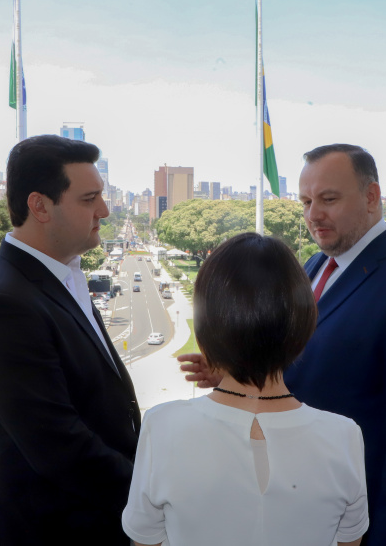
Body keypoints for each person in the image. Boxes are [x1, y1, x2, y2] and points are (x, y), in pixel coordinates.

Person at [181, 144, 386, 545]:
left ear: (372, 197)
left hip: (362, 525)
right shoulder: (315, 265)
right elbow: (303, 366)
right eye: (306, 201)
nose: (314, 215)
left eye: (328, 199)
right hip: (297, 512)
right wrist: (237, 373)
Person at [125, 233, 368, 546]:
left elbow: (146, 540)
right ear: (302, 327)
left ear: (205, 330)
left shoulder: (162, 428)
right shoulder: (344, 437)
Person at [0, 135, 140, 546]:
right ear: (39, 206)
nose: (104, 211)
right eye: (89, 198)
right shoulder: (2, 305)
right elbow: (60, 448)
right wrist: (155, 494)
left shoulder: (63, 277)